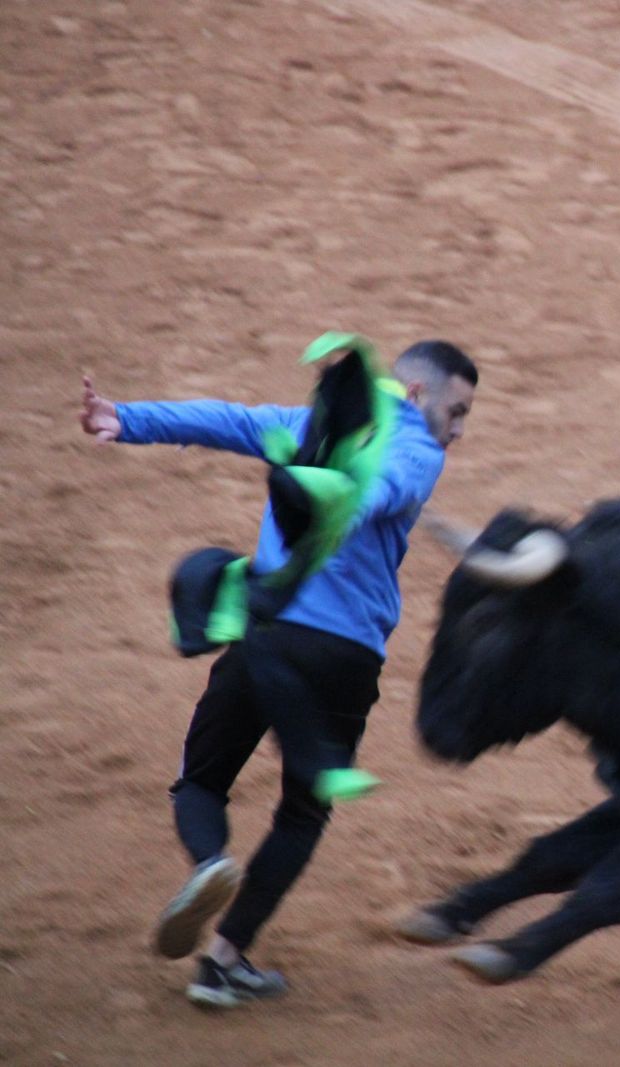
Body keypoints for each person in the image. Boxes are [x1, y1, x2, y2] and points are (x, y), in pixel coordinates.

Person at [77, 339, 478, 1008]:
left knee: (201, 781)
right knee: (302, 812)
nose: (458, 430)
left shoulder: (309, 424)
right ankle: (224, 959)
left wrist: (127, 418)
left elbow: (229, 421)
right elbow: (381, 488)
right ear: (414, 393)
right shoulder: (418, 450)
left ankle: (210, 864)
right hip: (344, 659)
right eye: (456, 411)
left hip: (265, 638)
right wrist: (339, 502)